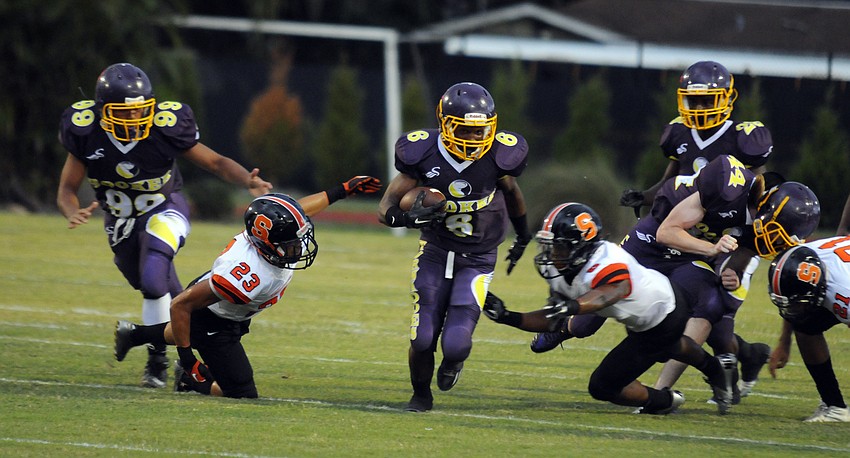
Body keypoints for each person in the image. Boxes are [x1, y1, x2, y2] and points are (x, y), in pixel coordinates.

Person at [533, 156, 820, 408]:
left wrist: (729, 274)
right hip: (657, 236)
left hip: (690, 255)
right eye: (775, 233)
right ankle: (565, 329)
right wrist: (711, 249)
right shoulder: (727, 186)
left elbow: (737, 261)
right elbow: (667, 233)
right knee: (588, 321)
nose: (774, 243)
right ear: (768, 209)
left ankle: (662, 388)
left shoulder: (760, 228)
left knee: (710, 304)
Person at [57, 62, 275, 388]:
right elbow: (66, 190)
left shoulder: (163, 128)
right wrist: (71, 210)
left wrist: (248, 180)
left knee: (154, 277)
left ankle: (156, 360)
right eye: (123, 112)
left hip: (164, 209)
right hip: (120, 222)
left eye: (140, 111)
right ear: (103, 111)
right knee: (159, 288)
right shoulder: (86, 132)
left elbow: (215, 161)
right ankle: (190, 349)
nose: (133, 119)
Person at [114, 180, 382, 398]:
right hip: (215, 316)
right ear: (267, 244)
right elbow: (180, 305)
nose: (298, 248)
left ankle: (134, 334)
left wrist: (342, 190)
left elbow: (299, 211)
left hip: (222, 301)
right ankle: (187, 380)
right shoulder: (248, 274)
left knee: (190, 327)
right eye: (290, 244)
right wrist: (189, 361)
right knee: (241, 391)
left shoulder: (268, 238)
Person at [483, 203, 737, 415]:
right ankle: (715, 370)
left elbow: (615, 290)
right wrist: (508, 317)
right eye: (548, 246)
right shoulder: (559, 268)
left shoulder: (606, 258)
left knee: (603, 386)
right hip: (649, 311)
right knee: (669, 346)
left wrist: (573, 305)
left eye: (558, 246)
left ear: (581, 245)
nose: (551, 254)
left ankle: (665, 401)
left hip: (664, 311)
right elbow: (553, 320)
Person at [617, 60, 775, 394]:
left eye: (707, 99)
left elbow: (755, 198)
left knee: (718, 309)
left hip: (732, 238)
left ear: (727, 98)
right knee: (698, 312)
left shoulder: (743, 138)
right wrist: (644, 197)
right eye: (695, 100)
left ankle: (710, 378)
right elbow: (671, 182)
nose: (700, 107)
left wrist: (743, 248)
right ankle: (747, 354)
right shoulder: (678, 133)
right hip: (690, 234)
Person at [377, 82, 531, 412]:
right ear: (445, 123)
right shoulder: (423, 151)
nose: (474, 139)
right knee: (422, 338)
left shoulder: (499, 155)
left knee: (457, 343)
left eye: (481, 131)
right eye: (465, 129)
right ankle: (420, 395)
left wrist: (523, 234)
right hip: (435, 250)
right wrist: (404, 220)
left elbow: (513, 193)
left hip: (478, 255)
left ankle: (453, 363)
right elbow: (386, 205)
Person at [767, 239, 850, 422]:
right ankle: (834, 407)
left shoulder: (844, 292)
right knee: (805, 324)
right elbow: (793, 308)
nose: (792, 311)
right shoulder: (800, 257)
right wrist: (784, 341)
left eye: (798, 303)